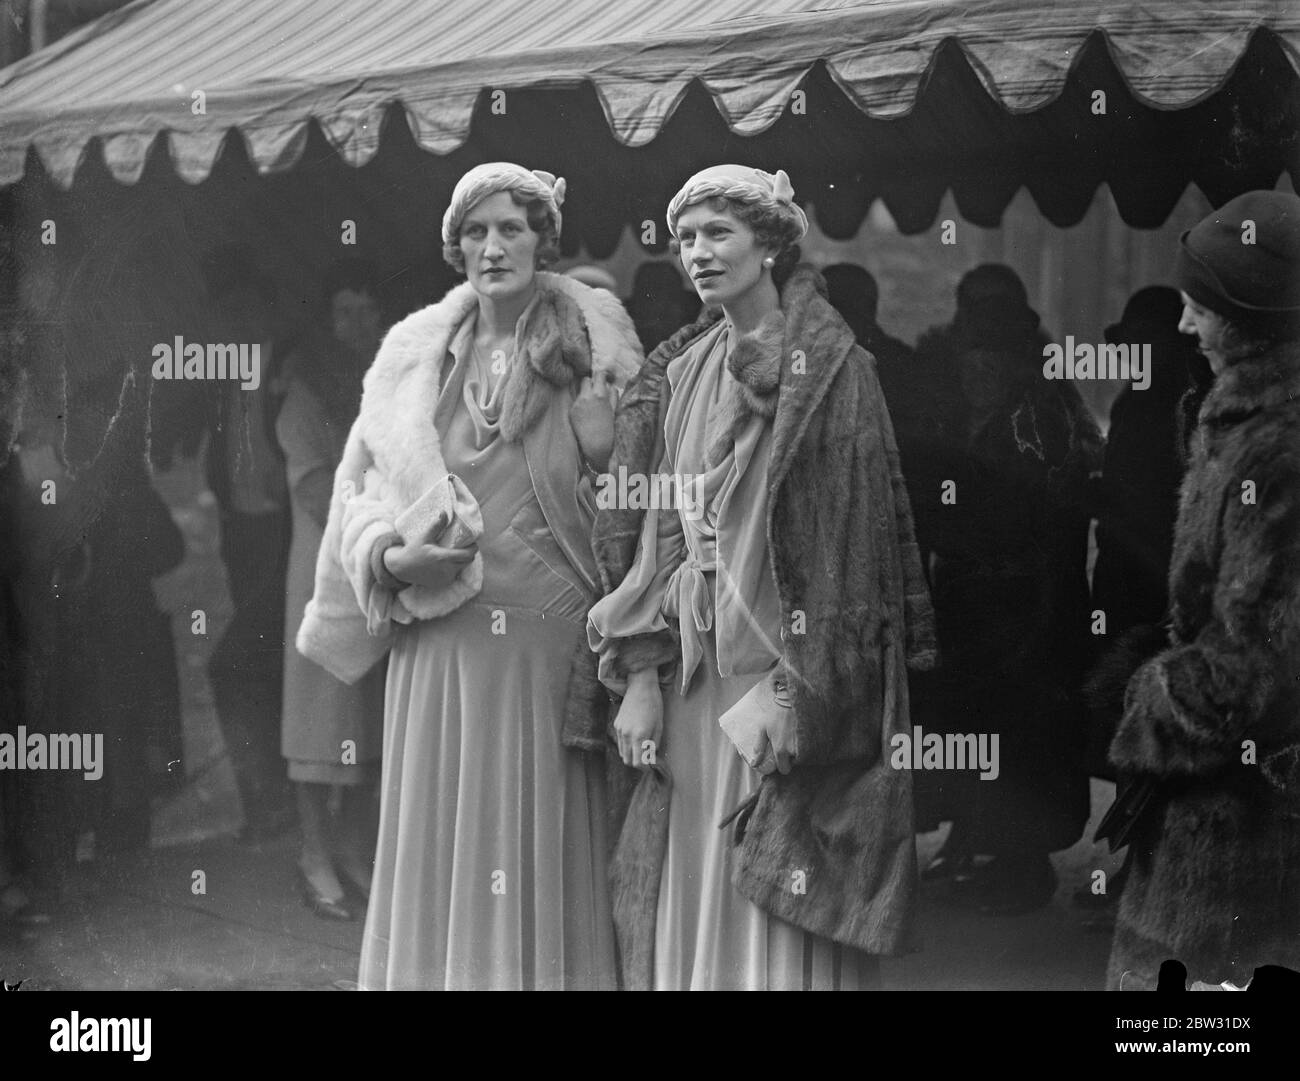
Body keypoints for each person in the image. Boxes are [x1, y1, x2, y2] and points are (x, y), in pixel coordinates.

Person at [589, 165, 936, 990]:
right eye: (685, 239)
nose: (698, 253)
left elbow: (860, 551)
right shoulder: (679, 373)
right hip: (697, 678)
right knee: (696, 882)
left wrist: (802, 691)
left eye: (718, 233)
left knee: (784, 884)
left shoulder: (836, 373)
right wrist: (641, 673)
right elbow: (660, 537)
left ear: (770, 242)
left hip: (790, 675)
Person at [298, 162, 643, 989]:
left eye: (512, 228)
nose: (494, 246)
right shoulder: (415, 358)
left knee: (535, 844)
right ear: (457, 249)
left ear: (542, 241)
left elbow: (648, 515)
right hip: (439, 646)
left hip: (548, 649)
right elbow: (359, 490)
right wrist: (390, 557)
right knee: (443, 842)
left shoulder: (597, 350)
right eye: (477, 231)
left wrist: (606, 450)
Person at [1107, 189, 1300, 990]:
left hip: (1240, 817)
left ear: (1246, 316)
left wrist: (1153, 698)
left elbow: (1259, 662)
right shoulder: (1240, 421)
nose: (1184, 326)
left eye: (1199, 307)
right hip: (1216, 798)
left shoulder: (1278, 448)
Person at [913, 265, 1098, 914]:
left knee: (1025, 733)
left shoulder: (1041, 405)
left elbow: (1046, 506)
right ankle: (989, 847)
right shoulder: (991, 396)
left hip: (1028, 601)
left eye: (994, 339)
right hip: (983, 600)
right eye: (974, 337)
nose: (979, 361)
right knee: (987, 726)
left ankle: (1021, 864)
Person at [277, 259, 387, 921]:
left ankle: (353, 849)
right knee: (318, 723)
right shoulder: (304, 395)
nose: (355, 327)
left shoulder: (388, 386)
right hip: (324, 574)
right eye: (343, 313)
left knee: (369, 721)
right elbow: (319, 490)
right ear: (326, 321)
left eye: (366, 314)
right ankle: (313, 853)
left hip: (376, 574)